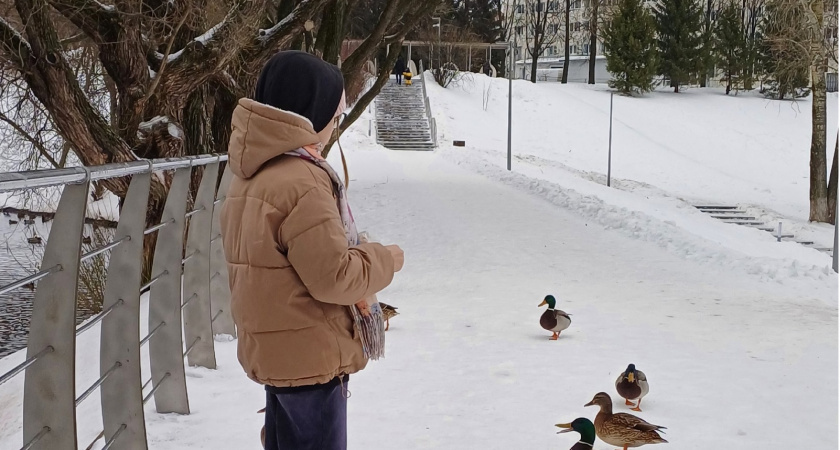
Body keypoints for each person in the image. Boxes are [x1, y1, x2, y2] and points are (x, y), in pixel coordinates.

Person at [220, 50, 405, 450]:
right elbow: (334, 277)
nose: (335, 124)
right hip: (311, 360)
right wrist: (385, 258)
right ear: (311, 113)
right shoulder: (302, 179)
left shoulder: (249, 175)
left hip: (276, 354)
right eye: (334, 115)